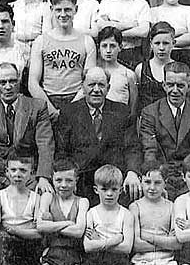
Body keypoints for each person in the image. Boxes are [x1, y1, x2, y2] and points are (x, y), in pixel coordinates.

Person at [54, 67, 142, 205]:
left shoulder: (122, 111)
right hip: (82, 180)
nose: (96, 89)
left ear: (108, 88)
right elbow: (62, 150)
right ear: (83, 87)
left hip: (113, 181)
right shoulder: (68, 112)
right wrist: (70, 177)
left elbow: (132, 147)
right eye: (91, 85)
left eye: (101, 85)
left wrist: (132, 172)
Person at [0, 63, 55, 194]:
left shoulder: (37, 107)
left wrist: (44, 177)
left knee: (45, 196)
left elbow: (45, 143)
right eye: (2, 82)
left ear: (19, 82)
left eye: (12, 81)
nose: (8, 87)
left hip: (27, 176)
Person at [139, 61, 190, 199]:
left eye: (180, 86)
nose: (174, 90)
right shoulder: (150, 113)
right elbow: (150, 151)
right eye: (170, 85)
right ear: (163, 85)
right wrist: (155, 184)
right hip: (162, 178)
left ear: (189, 87)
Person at [28, 0, 97, 119]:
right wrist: (50, 109)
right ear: (51, 10)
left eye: (68, 10)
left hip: (77, 99)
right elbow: (33, 83)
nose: (63, 14)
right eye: (58, 10)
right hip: (47, 99)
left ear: (75, 10)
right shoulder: (41, 41)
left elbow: (90, 81)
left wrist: (71, 109)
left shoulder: (87, 41)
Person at [0, 153, 43, 265]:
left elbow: (39, 232)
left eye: (23, 170)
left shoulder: (36, 198)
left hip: (28, 249)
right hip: (5, 249)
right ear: (6, 172)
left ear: (31, 174)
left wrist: (15, 230)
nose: (17, 174)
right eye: (13, 170)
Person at [36, 159, 89, 265]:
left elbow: (78, 232)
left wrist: (52, 226)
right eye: (58, 180)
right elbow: (40, 226)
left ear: (76, 180)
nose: (63, 185)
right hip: (53, 254)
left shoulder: (82, 201)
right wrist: (68, 223)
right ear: (52, 179)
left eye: (69, 180)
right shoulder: (48, 197)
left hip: (75, 256)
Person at [129, 164, 180, 265]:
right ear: (140, 181)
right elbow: (136, 244)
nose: (152, 188)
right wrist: (165, 241)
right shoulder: (135, 207)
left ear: (165, 183)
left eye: (157, 183)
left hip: (166, 261)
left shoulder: (172, 206)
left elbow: (176, 244)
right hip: (142, 260)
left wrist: (147, 236)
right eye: (147, 182)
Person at [83, 165, 134, 265]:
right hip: (96, 262)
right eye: (104, 189)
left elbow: (127, 247)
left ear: (121, 190)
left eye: (114, 189)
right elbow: (87, 247)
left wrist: (99, 243)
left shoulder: (126, 214)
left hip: (119, 262)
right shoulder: (91, 213)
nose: (109, 194)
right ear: (96, 190)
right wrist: (113, 240)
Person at [96, 0, 152, 67]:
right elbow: (100, 26)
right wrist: (131, 25)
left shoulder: (141, 4)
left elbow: (143, 31)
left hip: (133, 53)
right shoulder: (106, 3)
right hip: (110, 52)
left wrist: (113, 28)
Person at [135, 21, 176, 111]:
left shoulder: (178, 69)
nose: (161, 48)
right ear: (151, 44)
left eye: (165, 43)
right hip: (147, 121)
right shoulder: (141, 69)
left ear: (173, 43)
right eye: (157, 43)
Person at [97, 26, 138, 113]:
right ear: (99, 48)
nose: (108, 50)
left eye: (112, 46)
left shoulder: (128, 74)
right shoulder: (94, 72)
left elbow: (133, 108)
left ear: (120, 47)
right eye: (104, 46)